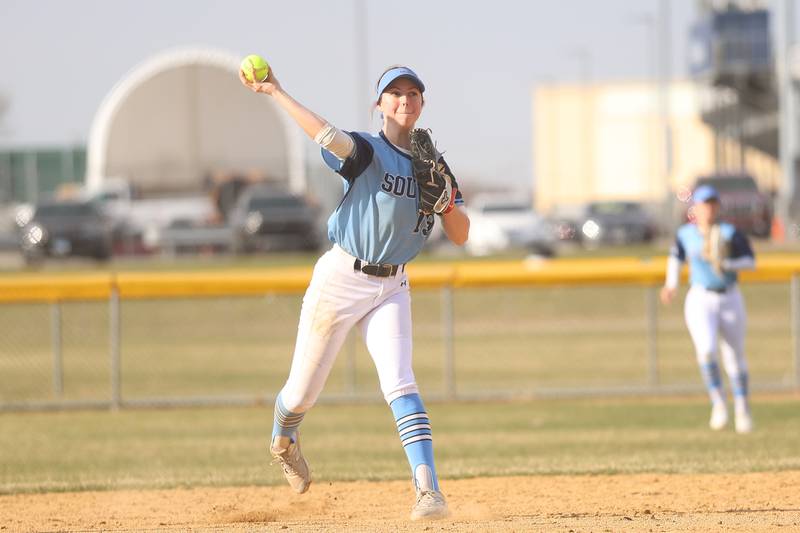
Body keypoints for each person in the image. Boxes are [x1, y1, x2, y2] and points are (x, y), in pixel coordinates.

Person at [239, 63, 470, 520]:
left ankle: (428, 491)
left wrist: (445, 202)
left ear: (422, 103)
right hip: (342, 278)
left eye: (413, 94)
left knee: (401, 381)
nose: (405, 100)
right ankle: (283, 440)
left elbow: (461, 234)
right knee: (302, 394)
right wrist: (276, 91)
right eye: (395, 93)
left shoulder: (434, 164)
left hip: (393, 286)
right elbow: (324, 134)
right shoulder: (367, 151)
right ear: (380, 104)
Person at [660, 184, 755, 434]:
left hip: (729, 296)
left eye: (712, 203)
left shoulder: (729, 232)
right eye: (704, 204)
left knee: (735, 357)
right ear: (696, 208)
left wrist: (727, 263)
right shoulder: (686, 234)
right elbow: (675, 258)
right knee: (707, 351)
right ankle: (719, 403)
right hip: (700, 296)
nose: (709, 209)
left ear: (718, 206)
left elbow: (750, 261)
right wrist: (671, 284)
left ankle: (743, 408)